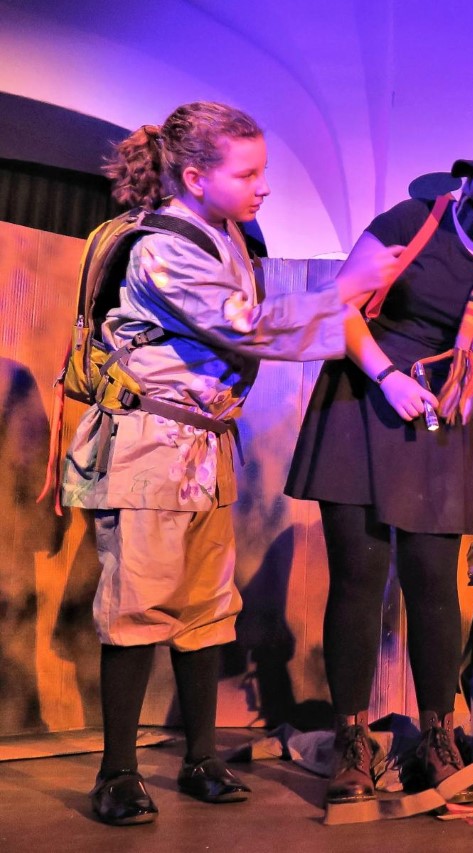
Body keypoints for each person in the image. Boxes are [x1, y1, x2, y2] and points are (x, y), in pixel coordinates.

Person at [62, 101, 400, 826]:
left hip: (202, 446)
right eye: (247, 173)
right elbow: (244, 327)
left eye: (261, 171)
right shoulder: (162, 248)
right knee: (137, 608)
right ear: (194, 176)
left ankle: (200, 758)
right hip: (150, 444)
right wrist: (346, 286)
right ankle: (116, 772)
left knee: (205, 608)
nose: (262, 186)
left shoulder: (226, 238)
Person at [285, 120, 473, 806]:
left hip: (442, 418)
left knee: (434, 583)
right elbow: (342, 306)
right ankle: (353, 740)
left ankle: (437, 737)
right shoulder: (410, 222)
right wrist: (388, 376)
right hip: (363, 401)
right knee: (358, 577)